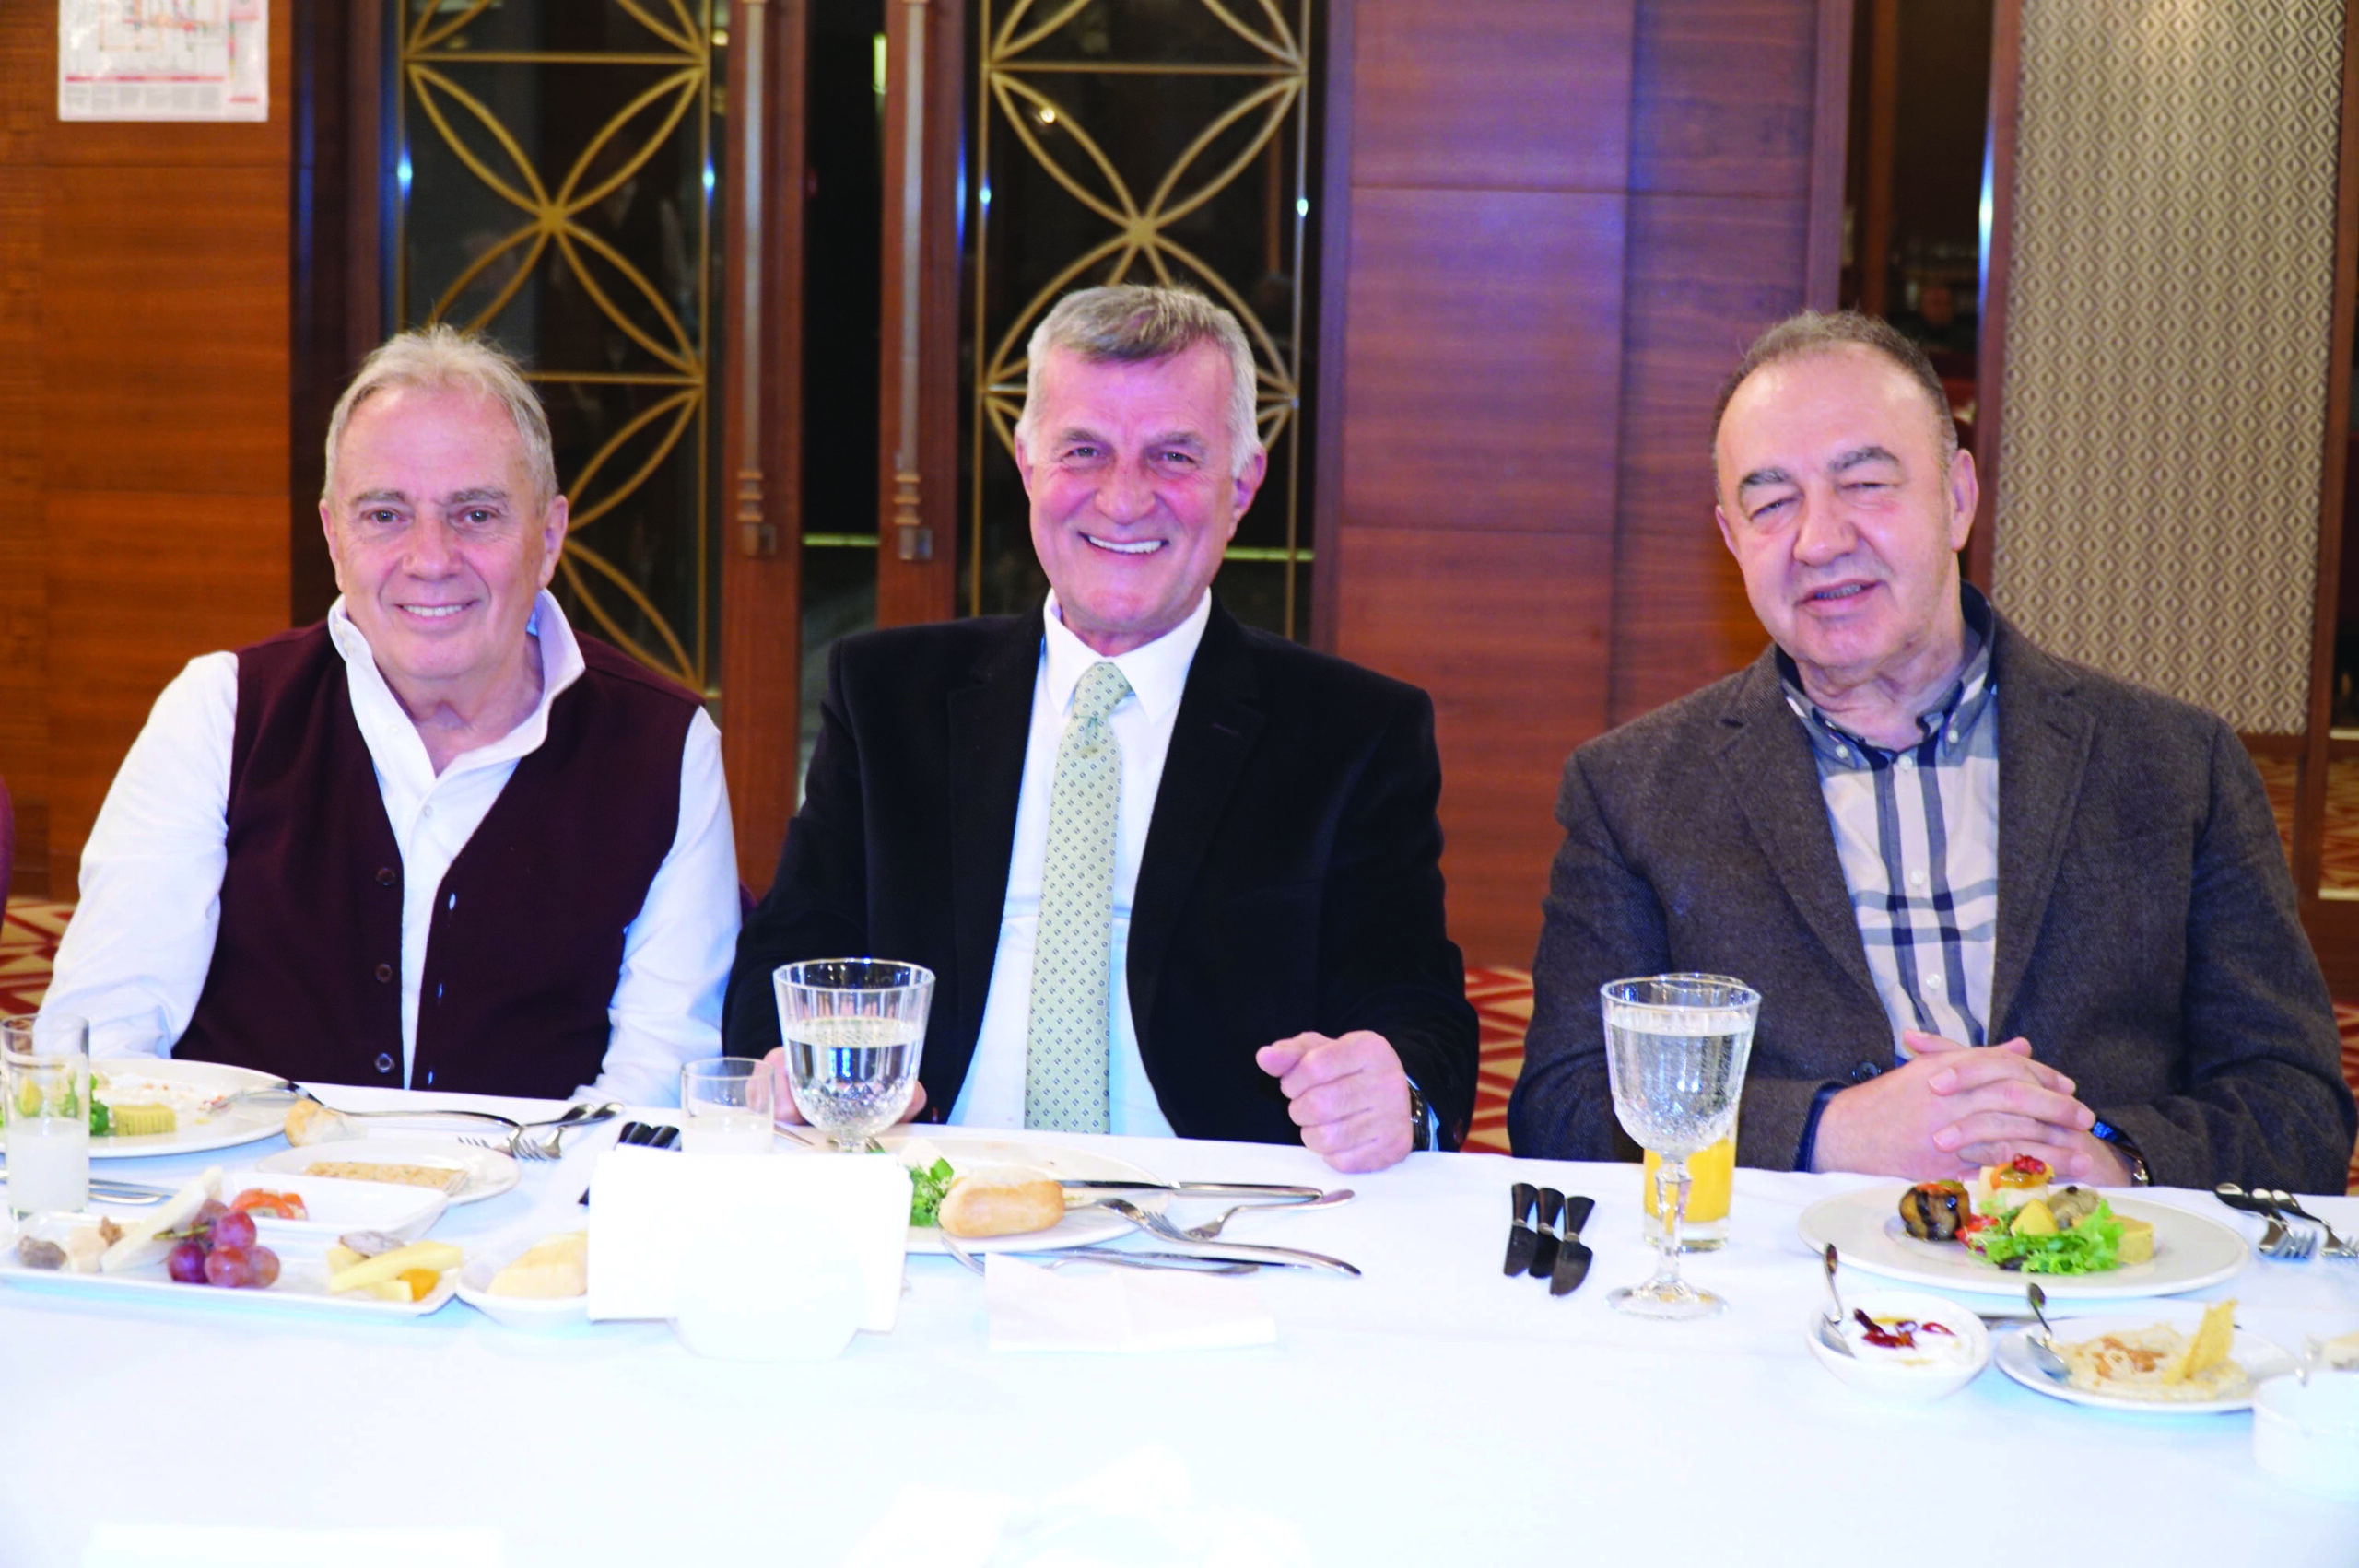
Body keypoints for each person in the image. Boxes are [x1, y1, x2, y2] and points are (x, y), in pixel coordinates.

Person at [1509, 310, 2354, 1192]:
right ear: (1731, 539)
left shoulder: (2174, 764)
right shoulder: (1635, 791)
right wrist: (1826, 1131)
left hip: (2109, 1267)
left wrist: (2115, 1160)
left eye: (1865, 483)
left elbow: (2296, 1105)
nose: (1820, 540)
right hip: (1796, 1266)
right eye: (1772, 504)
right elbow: (1564, 1109)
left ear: (1957, 497)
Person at [725, 285, 1476, 1172]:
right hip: (929, 1191)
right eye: (1084, 451)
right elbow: (790, 955)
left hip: (1215, 1212)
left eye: (1173, 457)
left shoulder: (1354, 733)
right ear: (1027, 465)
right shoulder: (888, 696)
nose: (1123, 501)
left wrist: (1394, 1087)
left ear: (1243, 485)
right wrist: (786, 1063)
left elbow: (1416, 1007)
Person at [42, 326, 739, 1106]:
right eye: (384, 515)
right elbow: (100, 1042)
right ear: (333, 537)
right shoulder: (222, 712)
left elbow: (659, 1079)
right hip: (242, 1177)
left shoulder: (665, 747)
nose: (431, 558)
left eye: (476, 514)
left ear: (548, 539)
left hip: (543, 1183)